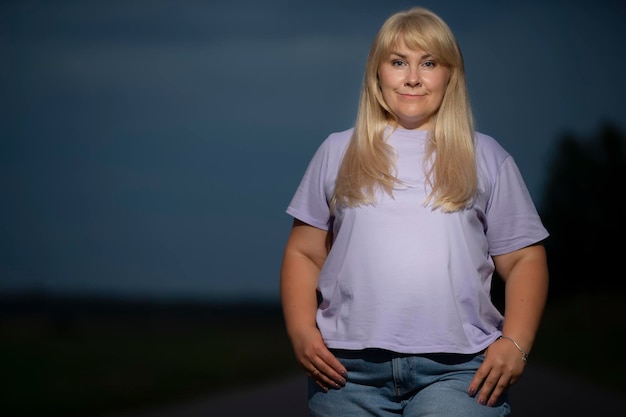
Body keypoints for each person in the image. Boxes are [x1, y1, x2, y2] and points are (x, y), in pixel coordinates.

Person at [279, 6, 549, 417]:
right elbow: (305, 252)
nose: (412, 77)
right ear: (377, 73)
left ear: (450, 75)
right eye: (398, 62)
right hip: (346, 375)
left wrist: (517, 343)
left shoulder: (486, 156)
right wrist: (300, 331)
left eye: (429, 63)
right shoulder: (338, 151)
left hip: (459, 373)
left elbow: (525, 257)